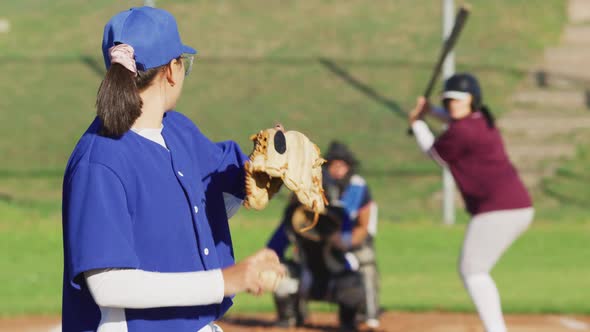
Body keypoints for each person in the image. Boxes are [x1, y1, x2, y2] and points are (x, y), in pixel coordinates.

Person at [61, 7, 283, 332]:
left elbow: (201, 205)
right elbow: (109, 285)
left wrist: (266, 175)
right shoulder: (100, 161)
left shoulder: (178, 131)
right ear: (172, 70)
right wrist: (226, 280)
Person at [408, 73, 534, 332]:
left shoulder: (463, 131)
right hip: (514, 206)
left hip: (499, 209)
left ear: (472, 100)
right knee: (474, 269)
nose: (453, 104)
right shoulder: (482, 120)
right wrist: (431, 111)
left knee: (473, 269)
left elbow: (436, 154)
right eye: (449, 100)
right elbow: (455, 122)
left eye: (458, 100)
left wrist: (418, 123)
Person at [267, 141, 380, 331]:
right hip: (307, 273)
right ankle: (291, 317)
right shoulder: (295, 217)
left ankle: (359, 317)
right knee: (278, 271)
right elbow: (274, 247)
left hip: (337, 269)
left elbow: (361, 227)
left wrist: (343, 240)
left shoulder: (348, 200)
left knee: (360, 273)